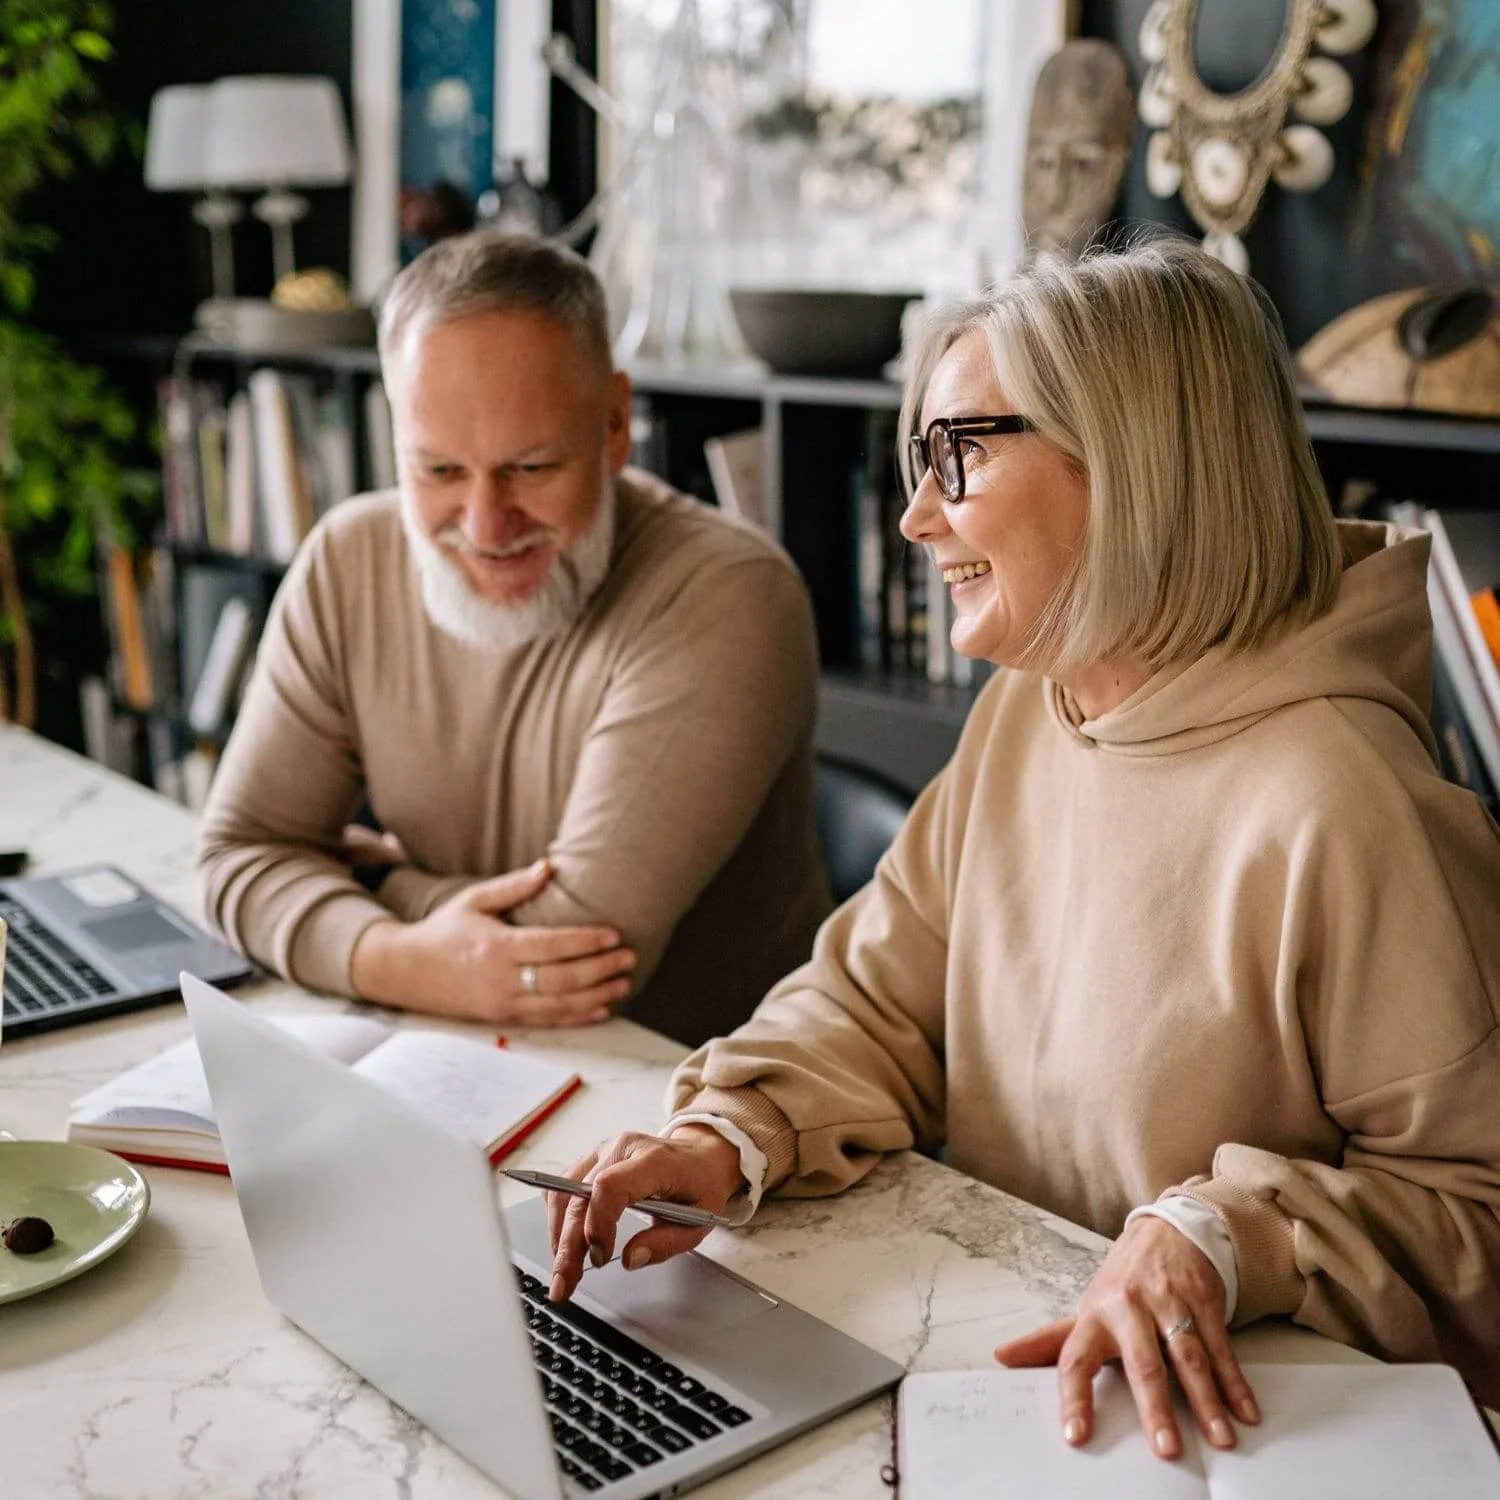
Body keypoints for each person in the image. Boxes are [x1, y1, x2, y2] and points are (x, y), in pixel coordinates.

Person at [544, 240, 1500, 1459]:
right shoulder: (1029, 711)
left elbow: (1480, 1219)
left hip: (1223, 1438)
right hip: (1011, 1380)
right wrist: (721, 1134)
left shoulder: (1350, 801)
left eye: (963, 453)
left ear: (1135, 467)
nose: (914, 514)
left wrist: (1219, 1236)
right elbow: (876, 999)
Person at [196, 233, 829, 1047]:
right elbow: (235, 857)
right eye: (438, 472)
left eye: (530, 468)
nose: (486, 526)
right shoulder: (348, 561)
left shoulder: (727, 593)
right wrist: (405, 955)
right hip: (452, 1055)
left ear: (613, 425)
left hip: (705, 1110)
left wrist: (371, 875)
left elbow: (579, 959)